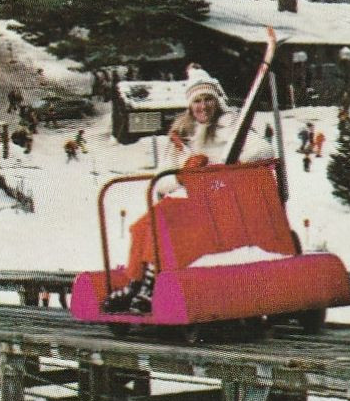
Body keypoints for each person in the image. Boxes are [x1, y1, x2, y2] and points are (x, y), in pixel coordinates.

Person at [104, 67, 269, 314]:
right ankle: (136, 282)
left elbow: (264, 151)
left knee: (165, 224)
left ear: (217, 102)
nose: (203, 107)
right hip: (198, 203)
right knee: (144, 225)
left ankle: (150, 286)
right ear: (190, 107)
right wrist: (182, 176)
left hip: (227, 205)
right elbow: (161, 182)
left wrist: (219, 168)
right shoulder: (183, 136)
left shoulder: (232, 129)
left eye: (208, 100)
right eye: (197, 102)